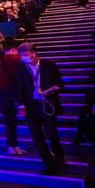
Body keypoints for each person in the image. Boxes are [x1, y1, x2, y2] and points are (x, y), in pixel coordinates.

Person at [16, 44, 66, 175]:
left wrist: (48, 91)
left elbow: (60, 84)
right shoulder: (21, 68)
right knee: (36, 136)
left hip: (47, 104)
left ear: (34, 53)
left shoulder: (50, 66)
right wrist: (21, 105)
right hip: (31, 107)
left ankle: (60, 159)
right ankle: (49, 164)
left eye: (25, 55)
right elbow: (19, 88)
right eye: (21, 56)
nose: (23, 58)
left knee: (51, 134)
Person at [0, 46, 25, 155]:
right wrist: (21, 103)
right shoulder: (17, 60)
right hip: (18, 94)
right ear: (13, 50)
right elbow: (20, 80)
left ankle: (12, 146)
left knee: (9, 122)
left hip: (3, 94)